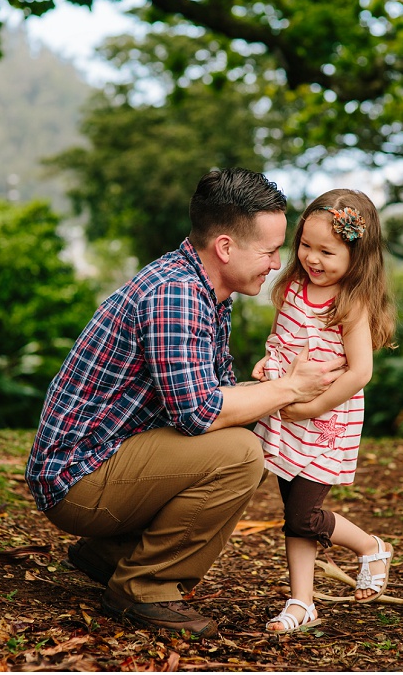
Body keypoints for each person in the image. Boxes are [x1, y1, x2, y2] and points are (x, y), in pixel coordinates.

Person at [24, 167, 333, 639]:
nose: (276, 264)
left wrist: (272, 387)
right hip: (77, 479)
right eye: (270, 251)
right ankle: (141, 587)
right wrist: (289, 388)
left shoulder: (207, 291)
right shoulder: (176, 293)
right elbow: (199, 414)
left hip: (109, 459)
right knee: (240, 455)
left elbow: (217, 396)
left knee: (240, 437)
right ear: (226, 247)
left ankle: (111, 554)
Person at [253, 186, 396, 635]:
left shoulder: (351, 304)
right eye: (306, 246)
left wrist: (313, 405)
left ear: (358, 256)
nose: (313, 259)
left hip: (325, 423)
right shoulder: (295, 287)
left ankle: (372, 546)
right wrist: (268, 359)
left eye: (327, 251)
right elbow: (283, 339)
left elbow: (360, 373)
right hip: (288, 414)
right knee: (293, 514)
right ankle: (302, 602)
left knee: (303, 516)